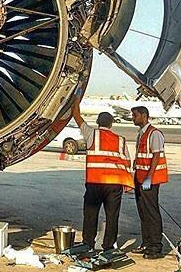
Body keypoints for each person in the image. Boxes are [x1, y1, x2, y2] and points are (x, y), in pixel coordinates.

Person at [72, 98, 133, 252]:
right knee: (112, 216)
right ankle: (108, 246)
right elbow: (127, 162)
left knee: (91, 214)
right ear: (111, 124)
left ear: (98, 122)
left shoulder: (92, 134)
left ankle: (88, 244)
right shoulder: (120, 140)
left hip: (95, 183)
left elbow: (77, 117)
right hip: (114, 185)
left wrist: (75, 99)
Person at [131, 105, 168, 259]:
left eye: (135, 115)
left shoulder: (154, 134)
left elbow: (156, 156)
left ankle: (156, 246)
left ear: (144, 116)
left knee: (152, 212)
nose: (133, 118)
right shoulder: (142, 133)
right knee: (143, 212)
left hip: (149, 180)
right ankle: (146, 242)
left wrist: (149, 177)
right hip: (140, 178)